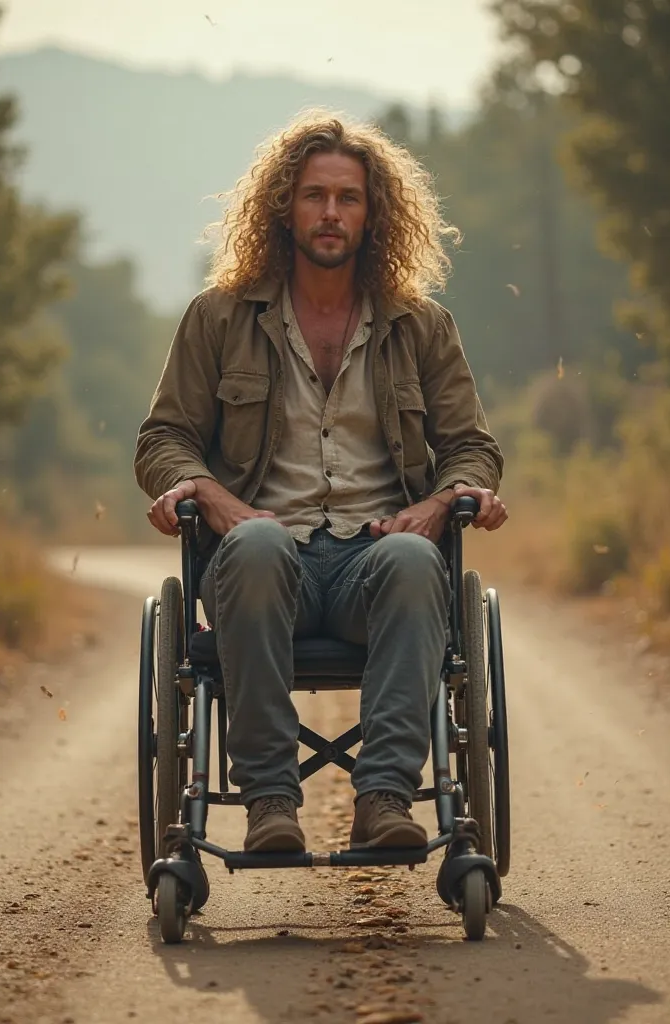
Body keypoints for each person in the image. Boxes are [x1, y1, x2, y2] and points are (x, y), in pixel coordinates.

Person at [135, 112, 507, 855]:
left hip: (376, 562)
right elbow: (164, 439)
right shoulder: (218, 319)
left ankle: (386, 798)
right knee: (259, 543)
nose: (331, 213)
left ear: (374, 215)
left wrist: (443, 501)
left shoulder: (423, 327)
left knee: (413, 561)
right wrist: (210, 495)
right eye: (314, 196)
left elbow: (471, 447)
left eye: (348, 198)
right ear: (284, 207)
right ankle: (271, 802)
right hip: (264, 565)